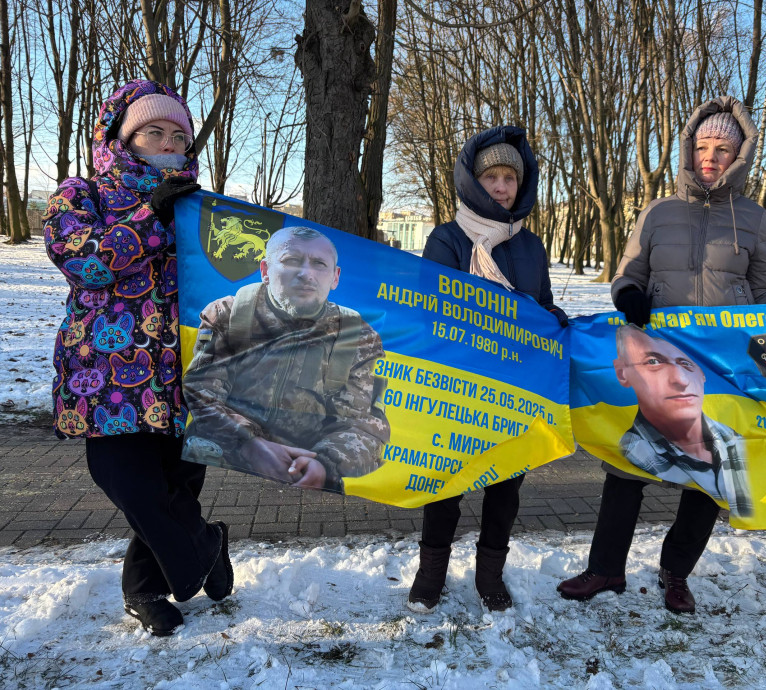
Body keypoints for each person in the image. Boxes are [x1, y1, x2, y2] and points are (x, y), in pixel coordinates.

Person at [558, 96, 766, 614]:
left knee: (710, 474)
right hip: (659, 360)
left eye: (723, 149)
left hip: (723, 368)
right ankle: (606, 568)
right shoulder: (659, 211)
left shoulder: (752, 217)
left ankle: (676, 573)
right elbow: (629, 272)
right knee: (627, 466)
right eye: (703, 147)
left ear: (738, 156)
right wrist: (628, 294)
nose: (711, 157)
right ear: (688, 150)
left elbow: (765, 292)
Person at [43, 79, 231, 637]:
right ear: (122, 139)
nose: (169, 143)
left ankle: (144, 589)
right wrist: (151, 216)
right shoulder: (82, 195)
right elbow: (82, 260)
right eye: (154, 132)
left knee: (176, 488)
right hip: (107, 378)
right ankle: (205, 547)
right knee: (127, 481)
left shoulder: (198, 207)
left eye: (179, 135)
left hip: (188, 375)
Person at [408, 125, 568, 613]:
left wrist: (552, 319)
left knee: (505, 487)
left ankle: (490, 575)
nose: (501, 186)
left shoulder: (531, 246)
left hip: (515, 387)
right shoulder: (448, 239)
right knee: (445, 483)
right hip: (458, 385)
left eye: (509, 178)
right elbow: (432, 308)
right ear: (473, 182)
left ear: (521, 184)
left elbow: (542, 303)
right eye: (491, 177)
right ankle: (430, 574)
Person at [183, 226, 390, 493]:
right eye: (292, 260)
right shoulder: (228, 314)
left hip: (307, 472)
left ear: (335, 277)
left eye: (319, 264)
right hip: (229, 462)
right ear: (265, 270)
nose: (306, 274)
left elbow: (365, 425)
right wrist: (249, 444)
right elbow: (201, 394)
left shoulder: (356, 335)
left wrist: (325, 464)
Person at [614, 325, 752, 517]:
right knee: (621, 495)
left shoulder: (741, 444)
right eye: (653, 362)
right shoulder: (627, 450)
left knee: (698, 517)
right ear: (622, 372)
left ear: (703, 373)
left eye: (686, 364)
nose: (681, 380)